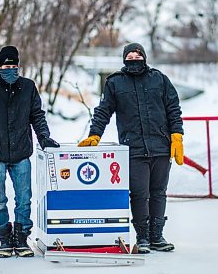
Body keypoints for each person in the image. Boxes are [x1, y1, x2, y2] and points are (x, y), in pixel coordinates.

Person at [78, 43, 184, 254]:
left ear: (144, 56)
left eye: (137, 55)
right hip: (133, 149)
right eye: (129, 55)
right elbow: (103, 111)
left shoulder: (159, 79)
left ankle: (157, 236)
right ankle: (142, 237)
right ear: (124, 59)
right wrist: (95, 134)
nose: (133, 58)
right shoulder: (115, 82)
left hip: (161, 147)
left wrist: (177, 135)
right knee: (139, 193)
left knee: (158, 193)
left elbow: (173, 108)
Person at [0, 45, 60, 258]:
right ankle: (4, 239)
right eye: (6, 65)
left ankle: (21, 239)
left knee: (24, 198)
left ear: (18, 66)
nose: (10, 69)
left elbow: (37, 115)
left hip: (21, 154)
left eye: (13, 65)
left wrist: (44, 137)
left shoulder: (28, 87)